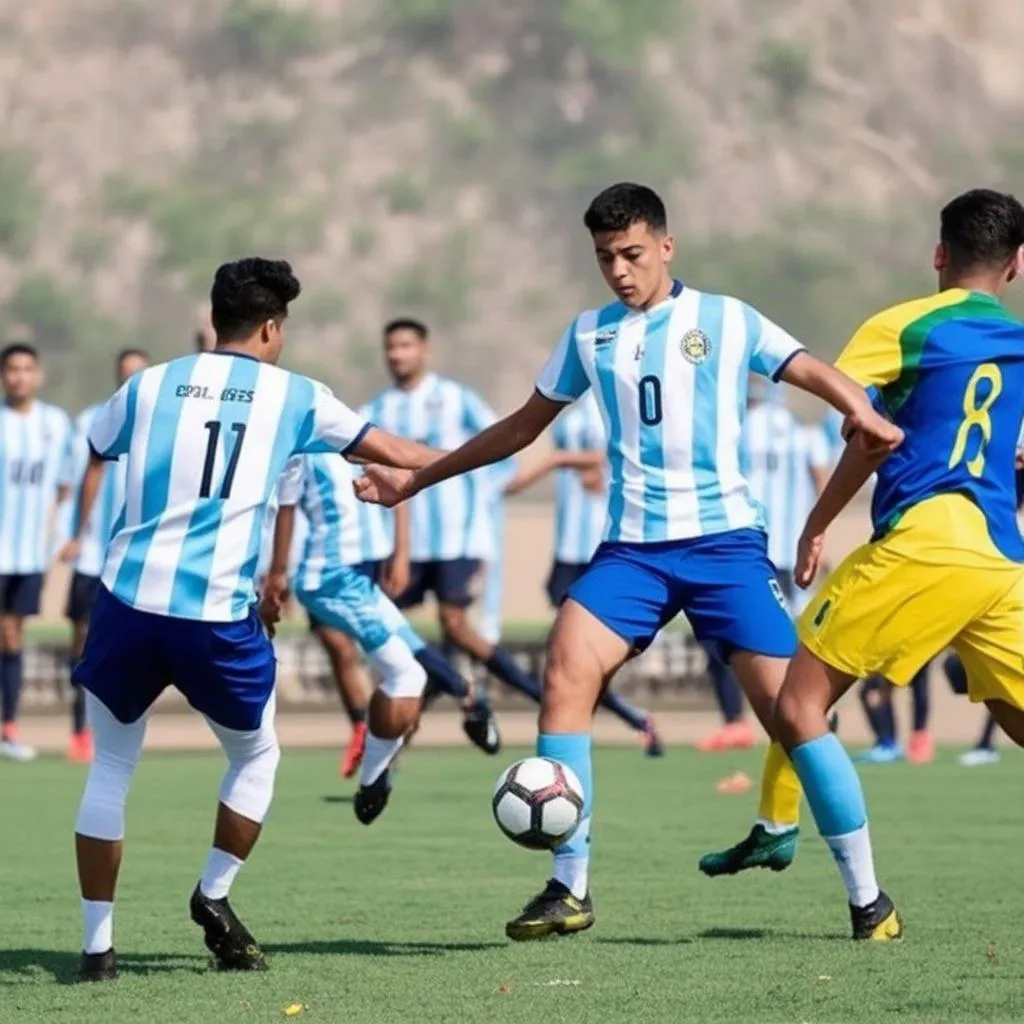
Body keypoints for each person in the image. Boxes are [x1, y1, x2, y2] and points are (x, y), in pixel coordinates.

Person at [355, 182, 899, 941]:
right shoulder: (588, 335)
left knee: (794, 715)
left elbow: (808, 367)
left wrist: (862, 411)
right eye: (605, 257)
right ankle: (567, 887)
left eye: (632, 254)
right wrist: (417, 478)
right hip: (632, 555)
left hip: (727, 549)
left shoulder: (725, 317)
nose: (618, 270)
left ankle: (869, 900)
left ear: (666, 247)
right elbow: (518, 429)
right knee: (565, 669)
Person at [63, 257, 445, 983]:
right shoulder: (297, 396)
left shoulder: (146, 384)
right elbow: (399, 452)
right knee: (255, 757)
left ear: (215, 320)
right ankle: (212, 895)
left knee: (111, 766)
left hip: (126, 602)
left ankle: (96, 951)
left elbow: (100, 445)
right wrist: (427, 473)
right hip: (213, 616)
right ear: (272, 327)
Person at [767, 188, 1024, 941]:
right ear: (1017, 266)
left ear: (939, 253)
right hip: (1000, 559)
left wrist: (816, 523)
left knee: (798, 705)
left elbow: (865, 432)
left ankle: (866, 904)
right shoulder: (1018, 342)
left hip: (925, 543)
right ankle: (772, 823)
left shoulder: (902, 324)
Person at [262, 450, 501, 823]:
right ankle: (375, 778)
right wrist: (276, 575)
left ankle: (470, 700)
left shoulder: (356, 437)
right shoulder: (300, 449)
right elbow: (285, 510)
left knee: (415, 652)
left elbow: (401, 463)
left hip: (359, 579)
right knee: (407, 675)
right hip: (331, 581)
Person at [363, 318, 544, 707]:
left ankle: (537, 695)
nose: (397, 355)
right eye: (391, 348)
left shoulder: (457, 399)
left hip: (457, 537)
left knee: (456, 626)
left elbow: (502, 450)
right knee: (380, 622)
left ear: (425, 350)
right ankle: (449, 700)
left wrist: (480, 498)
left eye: (406, 346)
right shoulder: (377, 408)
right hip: (404, 546)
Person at [505, 390, 663, 754]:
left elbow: (628, 450)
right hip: (568, 541)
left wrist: (560, 461)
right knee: (571, 653)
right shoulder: (570, 415)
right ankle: (628, 717)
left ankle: (623, 718)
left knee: (578, 651)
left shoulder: (619, 400)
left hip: (603, 538)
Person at [61, 348, 151, 764]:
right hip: (94, 552)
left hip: (134, 555)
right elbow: (83, 478)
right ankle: (79, 729)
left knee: (132, 645)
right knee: (82, 639)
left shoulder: (163, 420)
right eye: (125, 373)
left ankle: (118, 730)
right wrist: (76, 534)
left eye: (139, 373)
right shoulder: (91, 420)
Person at [0, 343, 75, 761]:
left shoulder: (54, 423)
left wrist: (56, 534)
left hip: (28, 553)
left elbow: (65, 485)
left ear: (38, 375)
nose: (19, 376)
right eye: (12, 369)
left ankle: (9, 727)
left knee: (12, 636)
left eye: (27, 368)